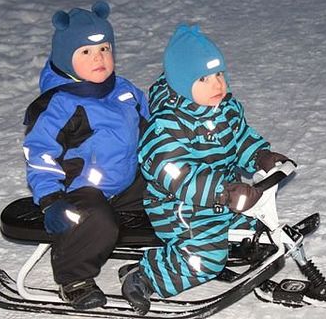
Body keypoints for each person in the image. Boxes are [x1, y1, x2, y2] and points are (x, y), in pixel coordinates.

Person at [121, 24, 291, 315]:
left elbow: (240, 138)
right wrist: (221, 192)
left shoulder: (225, 109)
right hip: (179, 208)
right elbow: (176, 175)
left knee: (254, 234)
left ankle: (217, 250)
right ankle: (144, 276)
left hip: (223, 197)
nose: (217, 85)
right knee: (206, 257)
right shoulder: (166, 126)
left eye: (219, 74)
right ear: (182, 82)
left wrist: (260, 155)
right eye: (204, 78)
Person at [22, 1, 149, 310]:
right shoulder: (59, 105)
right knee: (95, 220)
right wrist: (51, 199)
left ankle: (173, 257)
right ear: (67, 57)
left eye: (105, 49)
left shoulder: (125, 91)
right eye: (87, 53)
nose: (99, 58)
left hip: (124, 182)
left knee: (171, 191)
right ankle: (74, 278)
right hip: (79, 191)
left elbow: (152, 129)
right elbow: (40, 154)